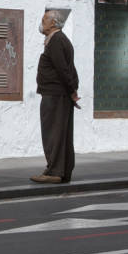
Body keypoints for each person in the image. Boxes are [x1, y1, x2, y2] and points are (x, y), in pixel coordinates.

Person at [32, 9, 80, 184]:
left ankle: (55, 171)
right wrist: (72, 89)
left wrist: (72, 91)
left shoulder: (57, 41)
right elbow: (68, 68)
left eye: (45, 18)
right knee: (60, 133)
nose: (42, 21)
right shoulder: (57, 40)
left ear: (53, 23)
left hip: (55, 94)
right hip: (59, 94)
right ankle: (61, 170)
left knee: (53, 133)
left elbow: (63, 69)